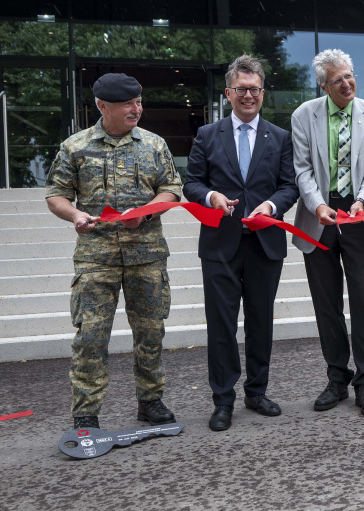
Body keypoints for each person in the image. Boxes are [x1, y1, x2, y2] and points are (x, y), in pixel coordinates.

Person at [45, 73, 183, 429]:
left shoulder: (154, 144)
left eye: (138, 102)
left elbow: (171, 188)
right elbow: (56, 194)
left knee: (150, 333)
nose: (136, 109)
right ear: (102, 106)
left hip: (146, 254)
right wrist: (75, 215)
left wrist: (145, 213)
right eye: (127, 104)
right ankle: (86, 414)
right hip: (96, 256)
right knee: (90, 337)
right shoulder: (75, 146)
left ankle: (150, 401)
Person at [183, 54, 299, 431]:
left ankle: (257, 391)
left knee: (260, 321)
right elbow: (191, 183)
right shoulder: (207, 135)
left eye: (255, 89)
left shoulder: (280, 137)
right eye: (241, 89)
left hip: (265, 242)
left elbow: (289, 186)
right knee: (221, 324)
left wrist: (272, 205)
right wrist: (211, 196)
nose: (248, 95)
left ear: (263, 93)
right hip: (220, 243)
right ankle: (223, 400)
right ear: (228, 93)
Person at [291, 49, 364, 416]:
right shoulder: (304, 115)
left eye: (349, 76)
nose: (347, 84)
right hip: (318, 215)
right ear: (323, 86)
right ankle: (337, 377)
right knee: (326, 303)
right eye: (338, 80)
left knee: (362, 299)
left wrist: (363, 200)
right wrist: (318, 204)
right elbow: (302, 169)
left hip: (358, 214)